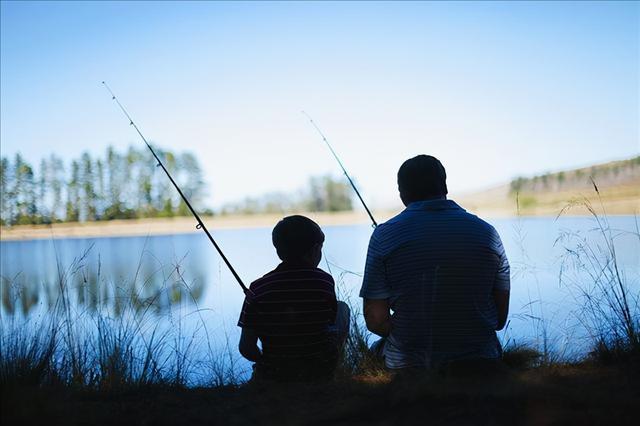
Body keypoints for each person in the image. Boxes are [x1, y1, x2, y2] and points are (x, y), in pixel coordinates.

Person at [360, 155, 510, 375]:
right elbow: (499, 320)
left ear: (402, 193)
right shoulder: (488, 233)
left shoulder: (384, 235)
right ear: (445, 186)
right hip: (481, 359)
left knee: (374, 352)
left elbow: (375, 321)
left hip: (409, 365)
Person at [238, 215, 350, 382]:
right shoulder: (324, 281)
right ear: (314, 250)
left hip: (274, 371)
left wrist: (265, 361)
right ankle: (332, 370)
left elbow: (246, 348)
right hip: (318, 369)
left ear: (278, 250)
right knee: (342, 308)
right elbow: (331, 319)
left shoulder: (257, 288)